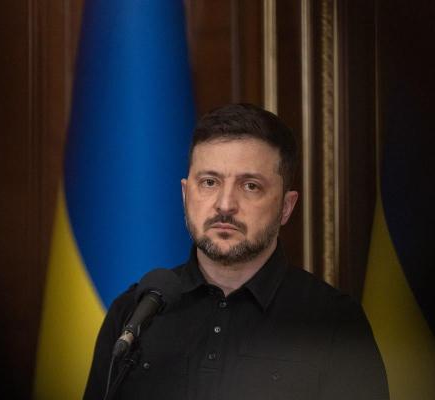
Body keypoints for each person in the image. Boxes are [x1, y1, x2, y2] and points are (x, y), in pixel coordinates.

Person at [83, 103, 389, 400]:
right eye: (209, 182)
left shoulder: (335, 323)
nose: (225, 204)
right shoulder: (135, 314)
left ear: (286, 207)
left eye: (250, 186)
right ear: (185, 194)